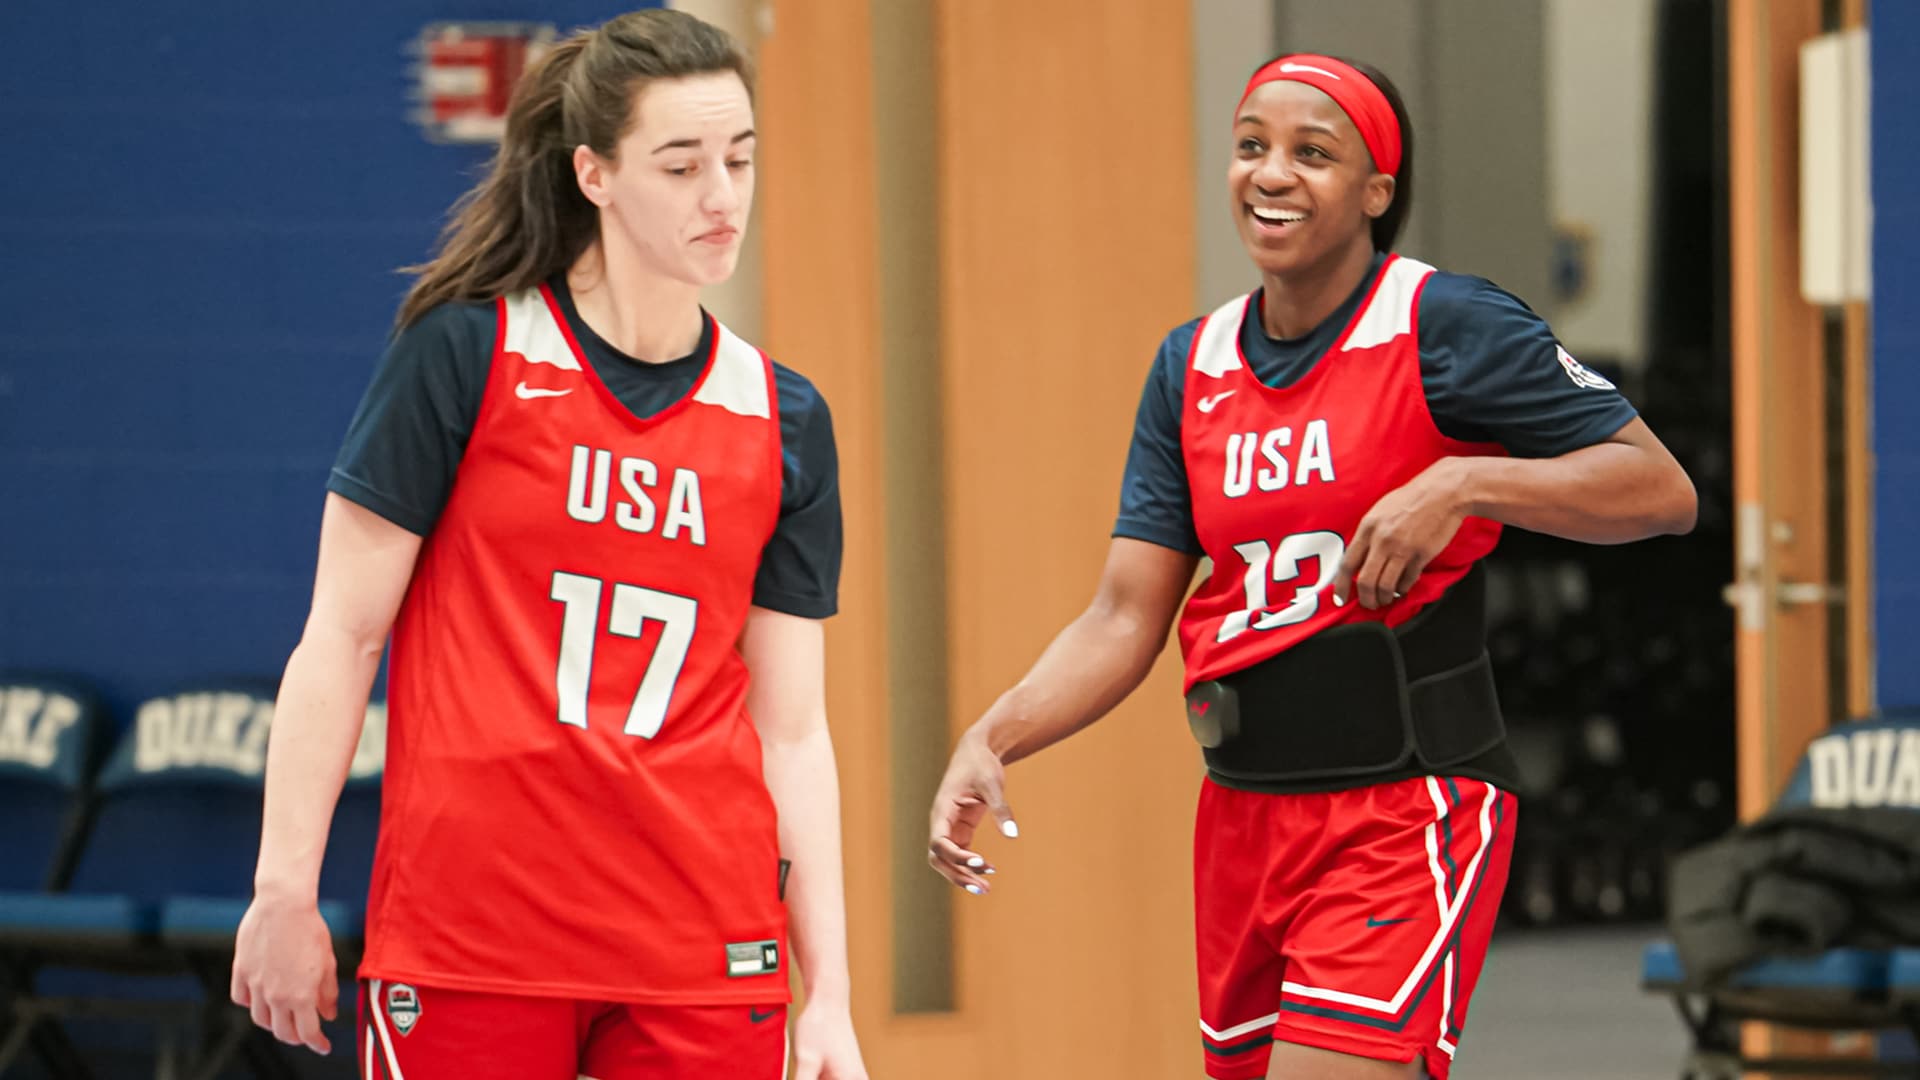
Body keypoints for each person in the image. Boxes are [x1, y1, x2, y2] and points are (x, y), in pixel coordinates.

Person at [927, 53, 1696, 1080]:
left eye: (1313, 153)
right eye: (1251, 146)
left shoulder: (1445, 325)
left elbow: (1659, 490)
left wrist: (1466, 483)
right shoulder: (1189, 365)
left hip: (1403, 798)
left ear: (1379, 191)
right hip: (1245, 811)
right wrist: (995, 732)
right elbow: (1122, 617)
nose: (1271, 173)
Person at [229, 11, 868, 1080]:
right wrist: (282, 890)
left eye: (741, 159)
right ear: (596, 174)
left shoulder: (780, 416)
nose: (724, 195)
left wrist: (831, 997)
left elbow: (792, 730)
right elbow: (340, 638)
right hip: (476, 938)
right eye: (682, 164)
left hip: (702, 946)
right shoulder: (467, 352)